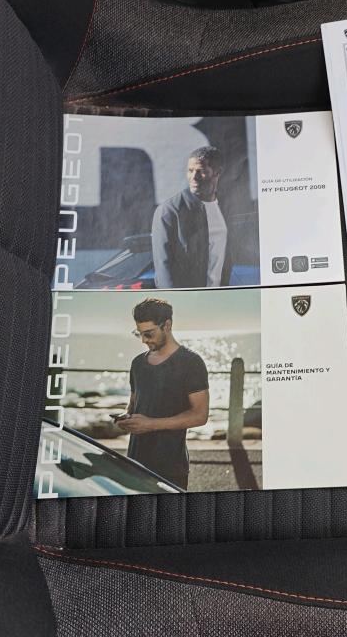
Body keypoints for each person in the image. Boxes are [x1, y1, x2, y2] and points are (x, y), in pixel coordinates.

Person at [117, 297, 209, 490]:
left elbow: (200, 415)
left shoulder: (191, 362)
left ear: (167, 325)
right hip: (135, 464)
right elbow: (134, 404)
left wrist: (150, 424)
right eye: (139, 334)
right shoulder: (137, 363)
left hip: (170, 468)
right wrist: (126, 418)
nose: (144, 340)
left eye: (149, 334)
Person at [151, 145, 232, 288]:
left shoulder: (225, 208)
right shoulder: (169, 211)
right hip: (188, 300)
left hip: (219, 297)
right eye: (190, 170)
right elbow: (164, 268)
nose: (193, 177)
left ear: (217, 172)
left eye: (201, 171)